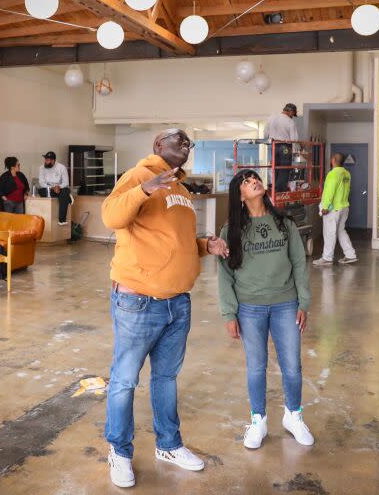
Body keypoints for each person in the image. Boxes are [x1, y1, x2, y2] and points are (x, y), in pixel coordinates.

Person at [101, 128, 230, 488]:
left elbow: (179, 241)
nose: (186, 147)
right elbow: (110, 216)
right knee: (125, 380)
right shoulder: (139, 175)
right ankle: (120, 452)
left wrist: (207, 245)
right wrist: (145, 188)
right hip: (138, 301)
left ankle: (168, 446)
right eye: (179, 140)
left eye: (189, 143)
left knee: (166, 379)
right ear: (159, 145)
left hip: (177, 303)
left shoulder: (182, 190)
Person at [219, 169, 314, 450]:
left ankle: (293, 416)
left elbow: (299, 262)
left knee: (292, 367)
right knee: (256, 367)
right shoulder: (230, 231)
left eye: (255, 179)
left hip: (286, 304)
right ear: (239, 195)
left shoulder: (284, 222)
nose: (254, 182)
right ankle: (258, 420)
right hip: (250, 308)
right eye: (247, 182)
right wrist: (229, 313)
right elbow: (225, 275)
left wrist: (303, 302)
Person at [313, 153, 357, 266]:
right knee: (341, 231)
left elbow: (329, 191)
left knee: (329, 233)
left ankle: (327, 258)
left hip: (333, 209)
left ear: (333, 160)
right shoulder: (346, 173)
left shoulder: (333, 174)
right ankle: (350, 255)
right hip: (344, 207)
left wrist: (325, 207)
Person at [264, 103, 299, 193]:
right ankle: (281, 190)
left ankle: (274, 187)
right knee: (284, 168)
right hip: (285, 146)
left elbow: (265, 133)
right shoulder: (290, 121)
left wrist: (269, 142)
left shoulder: (271, 117)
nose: (292, 116)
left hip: (274, 145)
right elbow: (294, 139)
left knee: (275, 166)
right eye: (293, 114)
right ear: (290, 111)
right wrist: (296, 151)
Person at [37, 151, 73, 225]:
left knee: (64, 191)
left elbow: (66, 182)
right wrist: (52, 187)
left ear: (53, 161)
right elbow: (41, 183)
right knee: (41, 191)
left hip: (60, 188)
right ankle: (67, 197)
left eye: (47, 160)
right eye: (45, 159)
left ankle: (62, 220)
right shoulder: (41, 168)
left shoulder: (61, 167)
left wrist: (58, 187)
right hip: (49, 189)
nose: (45, 161)